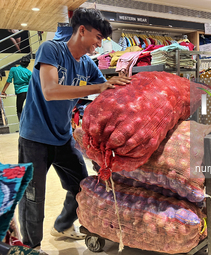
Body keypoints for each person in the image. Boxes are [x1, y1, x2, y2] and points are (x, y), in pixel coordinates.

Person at [17, 7, 131, 253]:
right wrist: (99, 88)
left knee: (82, 186)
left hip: (62, 136)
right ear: (82, 30)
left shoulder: (87, 64)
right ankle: (30, 247)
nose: (100, 45)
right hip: (34, 137)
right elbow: (50, 91)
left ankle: (62, 225)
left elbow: (106, 90)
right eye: (98, 38)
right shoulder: (52, 49)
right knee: (33, 197)